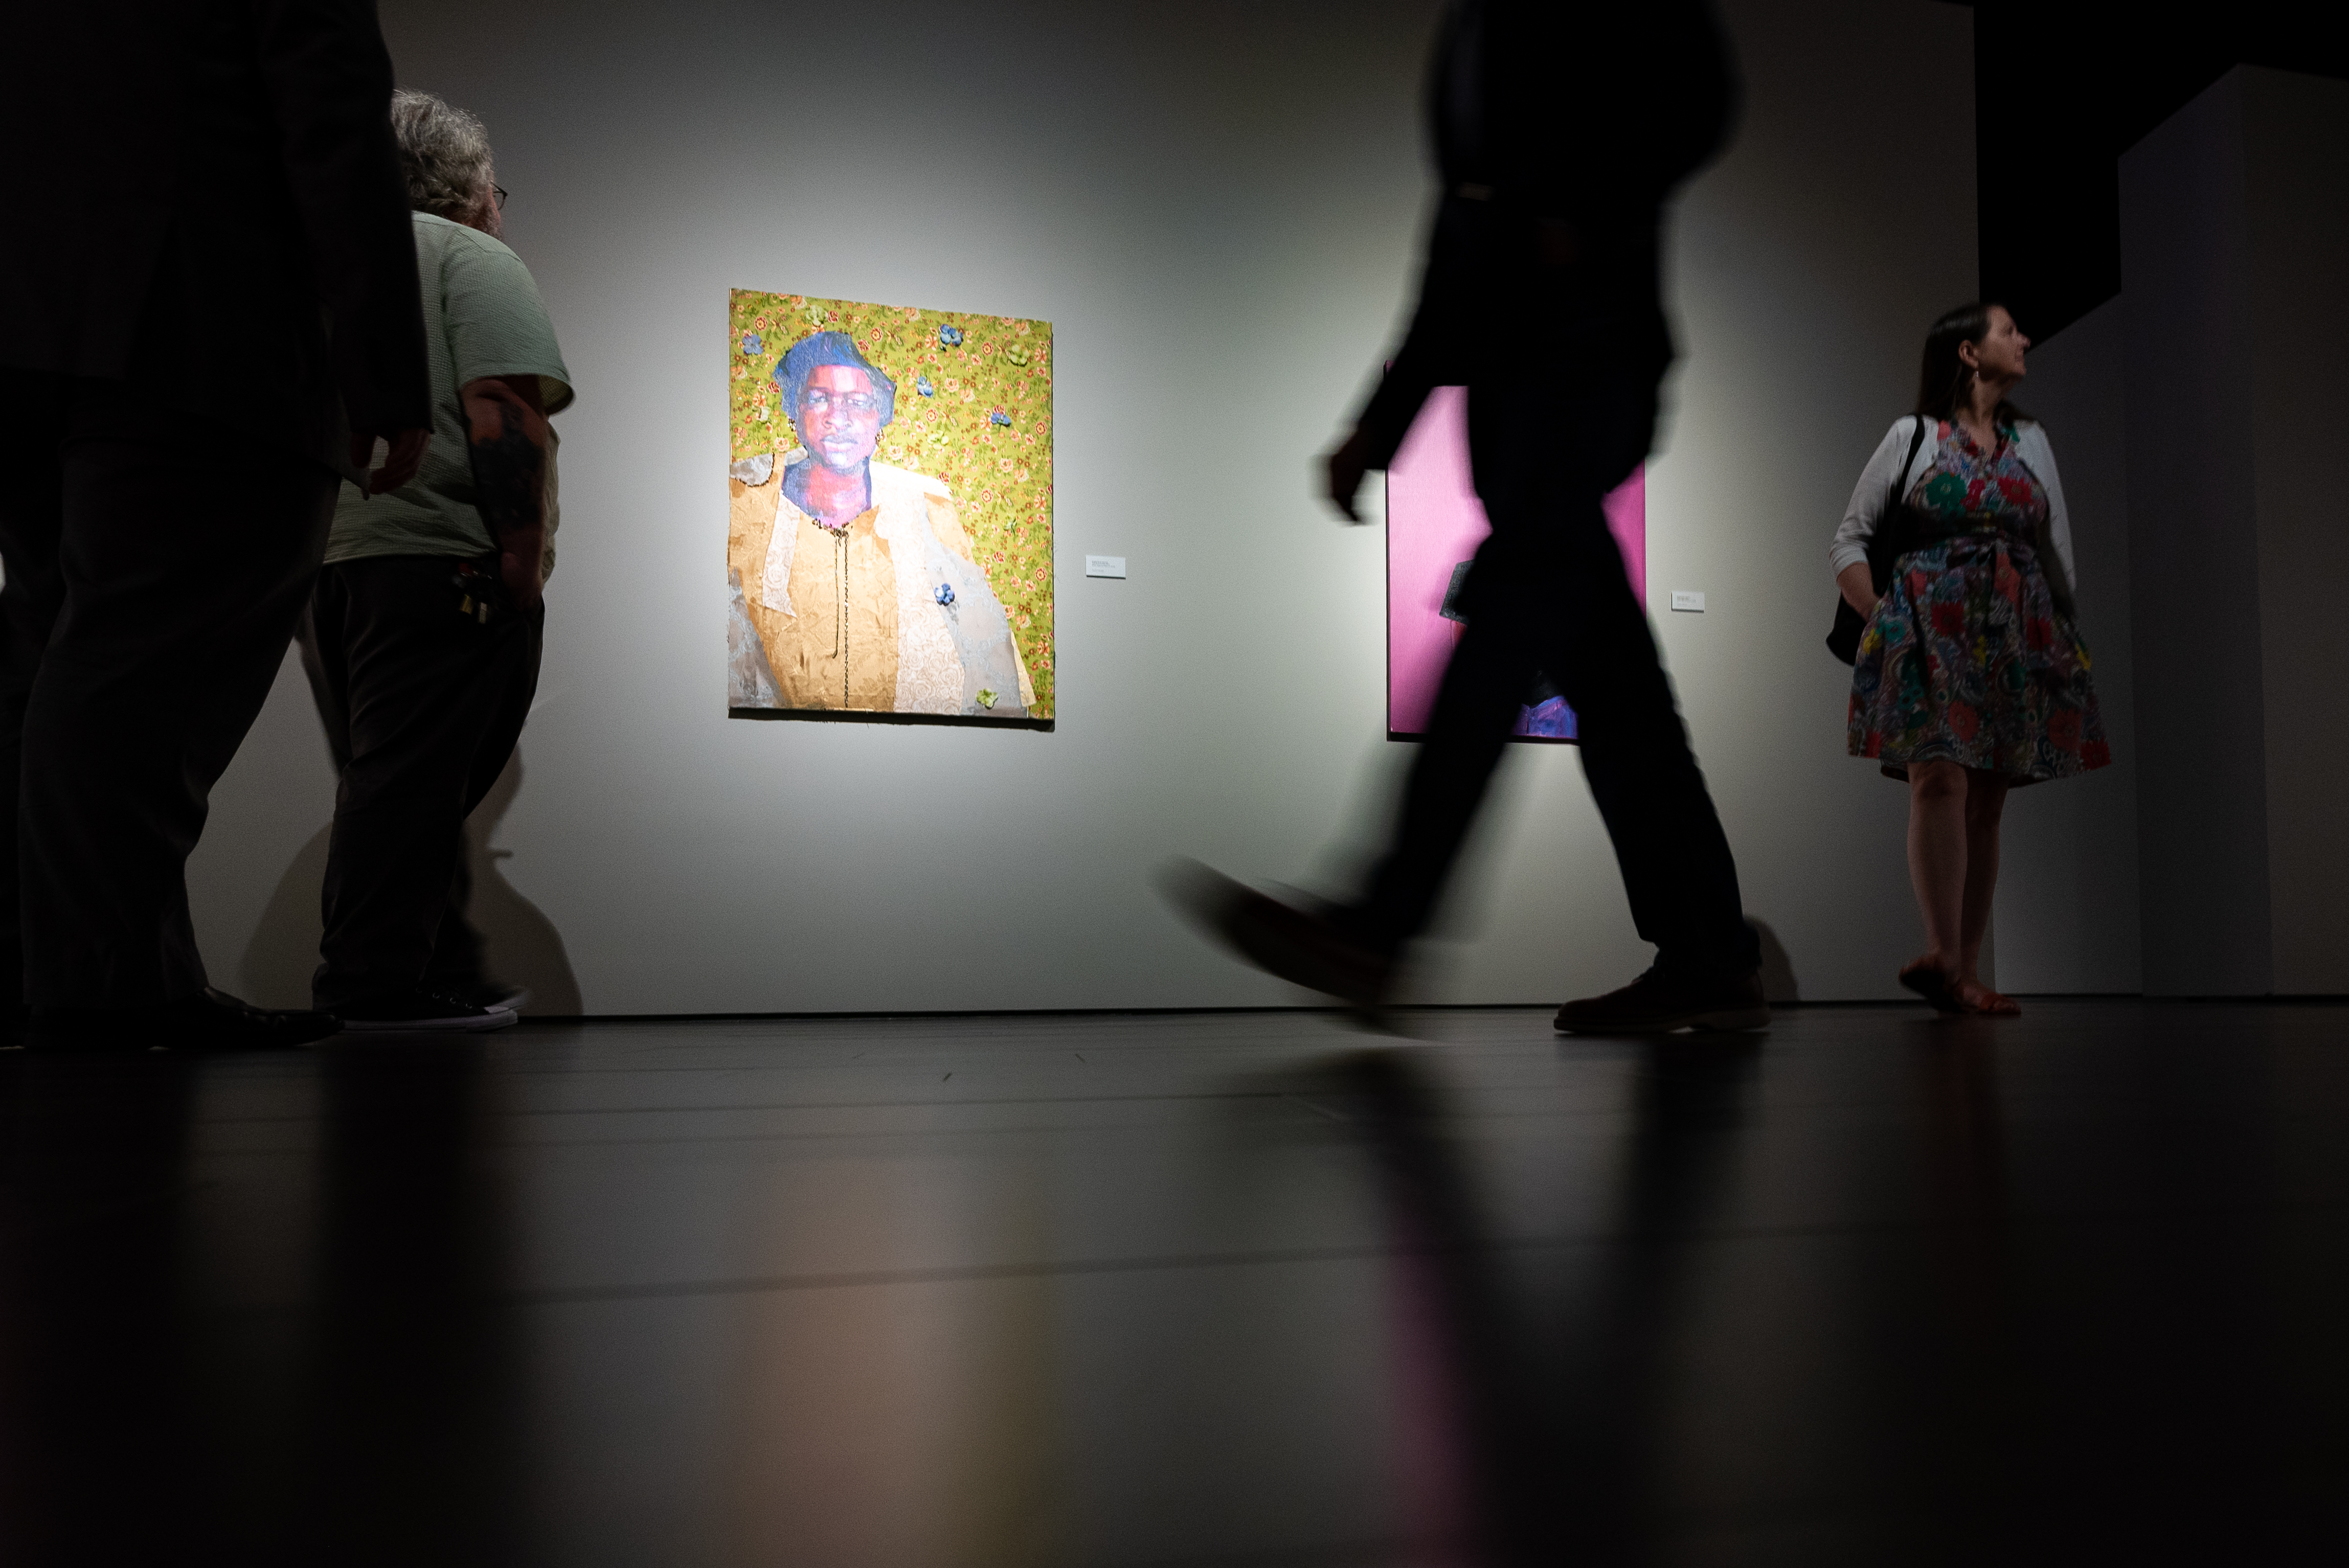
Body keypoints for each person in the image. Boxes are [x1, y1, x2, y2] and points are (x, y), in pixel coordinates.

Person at [1176, 1, 1765, 1034]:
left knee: (1512, 600)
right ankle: (1708, 949)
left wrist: (1583, 215)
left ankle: (1383, 923)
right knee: (1611, 683)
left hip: (1588, 355)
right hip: (1520, 378)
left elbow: (1700, 97)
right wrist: (1381, 419)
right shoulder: (1477, 25)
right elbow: (1461, 236)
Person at [0, 1, 431, 1050]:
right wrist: (384, 365)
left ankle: (93, 977)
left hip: (29, 331)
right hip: (197, 323)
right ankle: (100, 990)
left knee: (59, 650)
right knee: (138, 666)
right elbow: (332, 118)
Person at [295, 89, 572, 1033]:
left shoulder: (330, 268)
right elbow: (501, 403)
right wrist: (522, 559)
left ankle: (415, 971)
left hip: (330, 565)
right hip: (441, 558)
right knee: (410, 782)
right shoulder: (469, 255)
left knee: (391, 778)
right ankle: (373, 989)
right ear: (468, 188)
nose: (503, 204)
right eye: (500, 188)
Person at [1834, 302, 2109, 1015]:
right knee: (1936, 779)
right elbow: (1848, 541)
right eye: (2007, 329)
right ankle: (1942, 951)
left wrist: (2058, 639)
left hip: (2013, 632)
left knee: (1986, 802)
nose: (2022, 340)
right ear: (1965, 352)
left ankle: (1961, 971)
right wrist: (1882, 618)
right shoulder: (1913, 435)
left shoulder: (2031, 439)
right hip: (1929, 625)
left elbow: (2057, 551)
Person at [727, 331, 1034, 717]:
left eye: (858, 402)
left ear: (881, 419)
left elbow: (987, 644)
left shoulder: (925, 503)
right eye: (819, 398)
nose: (838, 418)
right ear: (795, 410)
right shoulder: (745, 492)